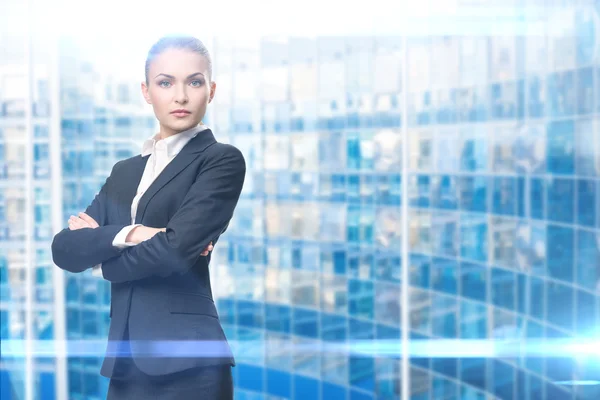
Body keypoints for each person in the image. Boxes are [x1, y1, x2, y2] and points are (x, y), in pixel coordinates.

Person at [51, 35, 245, 400]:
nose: (181, 96)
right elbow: (65, 249)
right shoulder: (124, 172)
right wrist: (136, 233)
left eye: (195, 81)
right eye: (165, 82)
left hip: (192, 364)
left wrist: (104, 262)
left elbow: (174, 251)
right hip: (125, 365)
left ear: (211, 90)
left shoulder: (220, 160)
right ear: (146, 91)